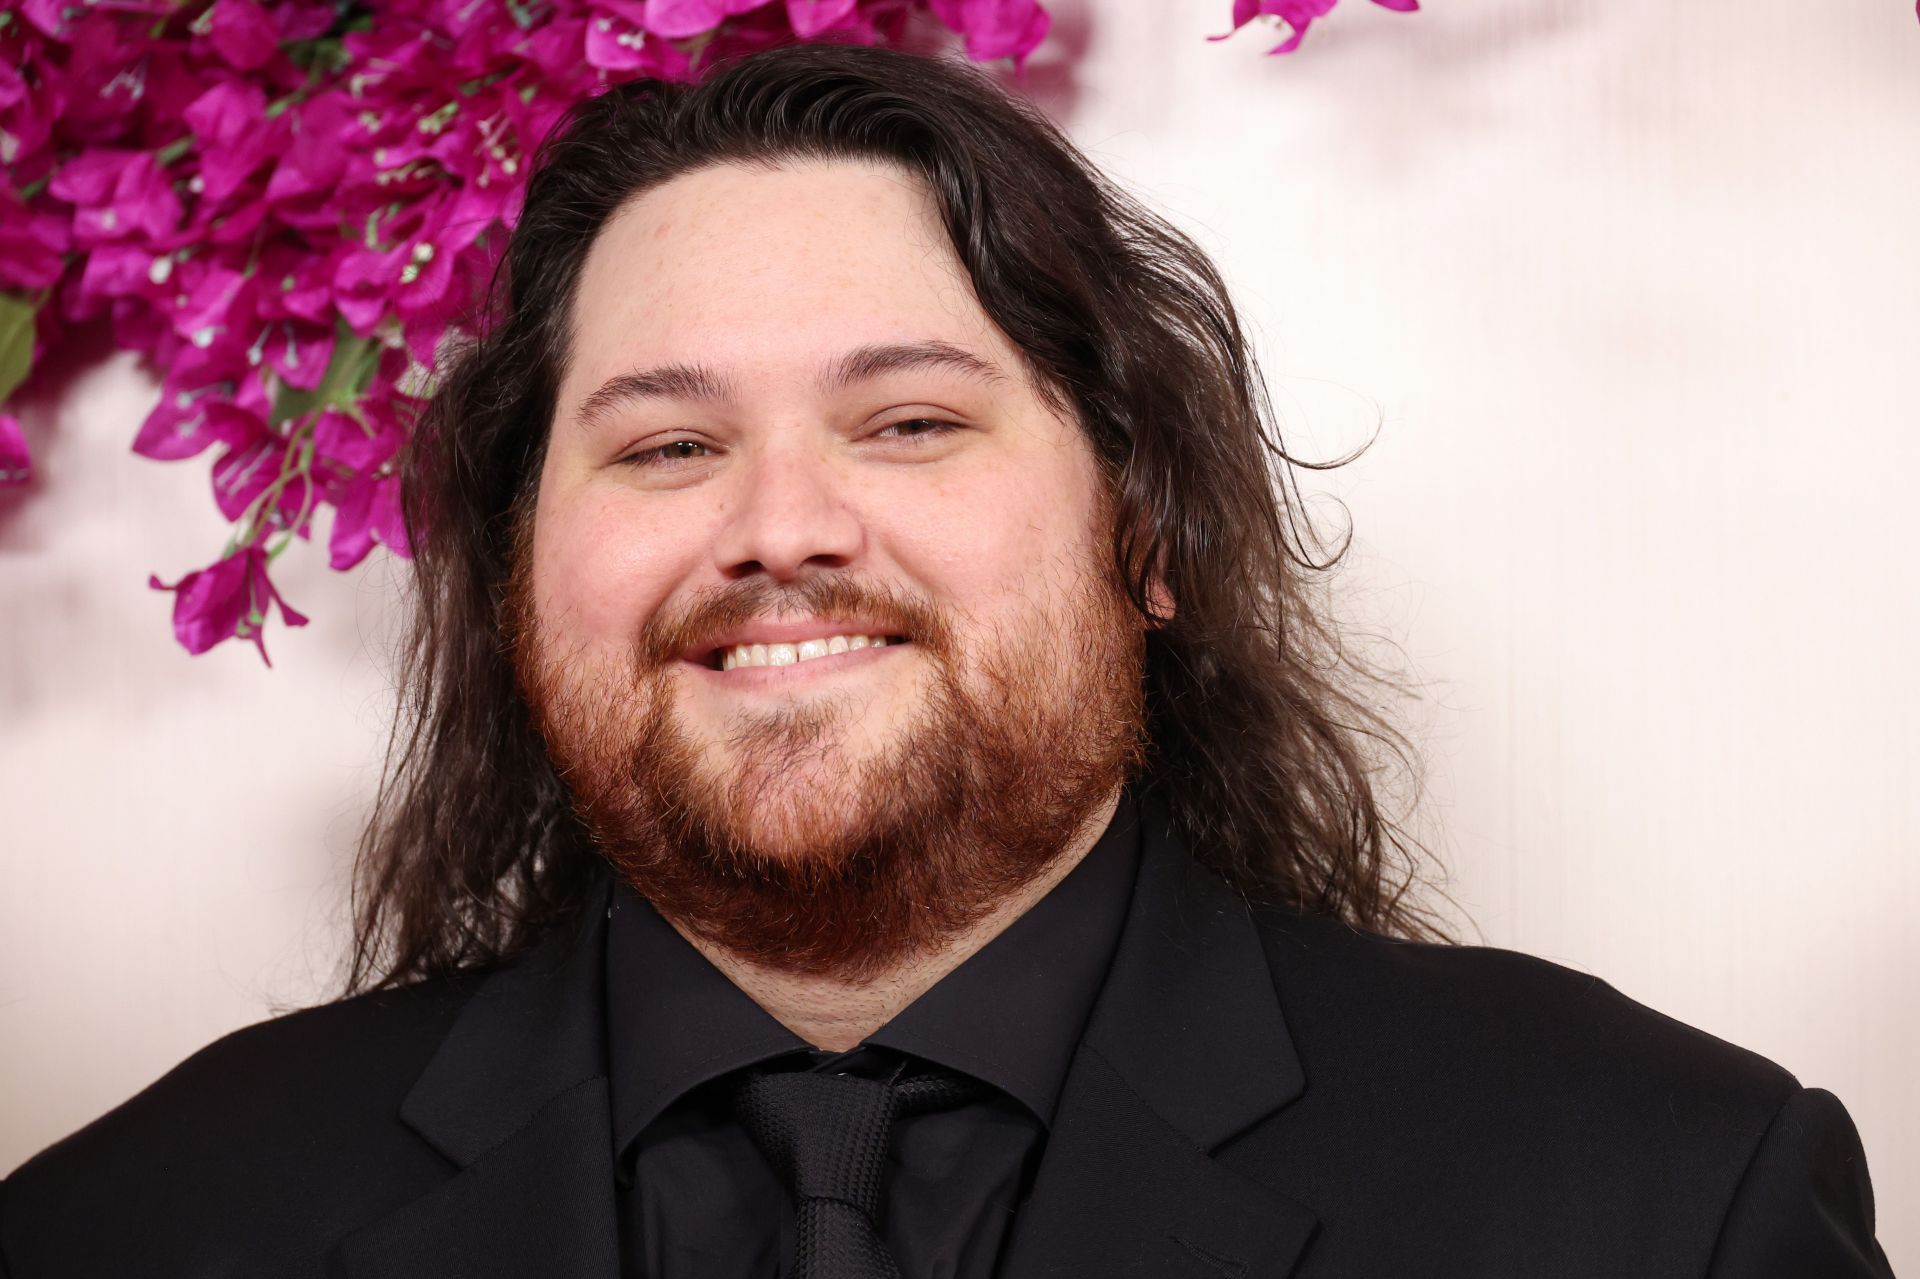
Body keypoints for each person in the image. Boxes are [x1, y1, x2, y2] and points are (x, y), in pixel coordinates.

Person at [0, 41, 1894, 1279]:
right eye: (666, 446)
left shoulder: (1667, 1202)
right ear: (514, 577)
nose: (782, 524)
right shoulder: (125, 1231)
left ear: (1144, 532)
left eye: (908, 422)